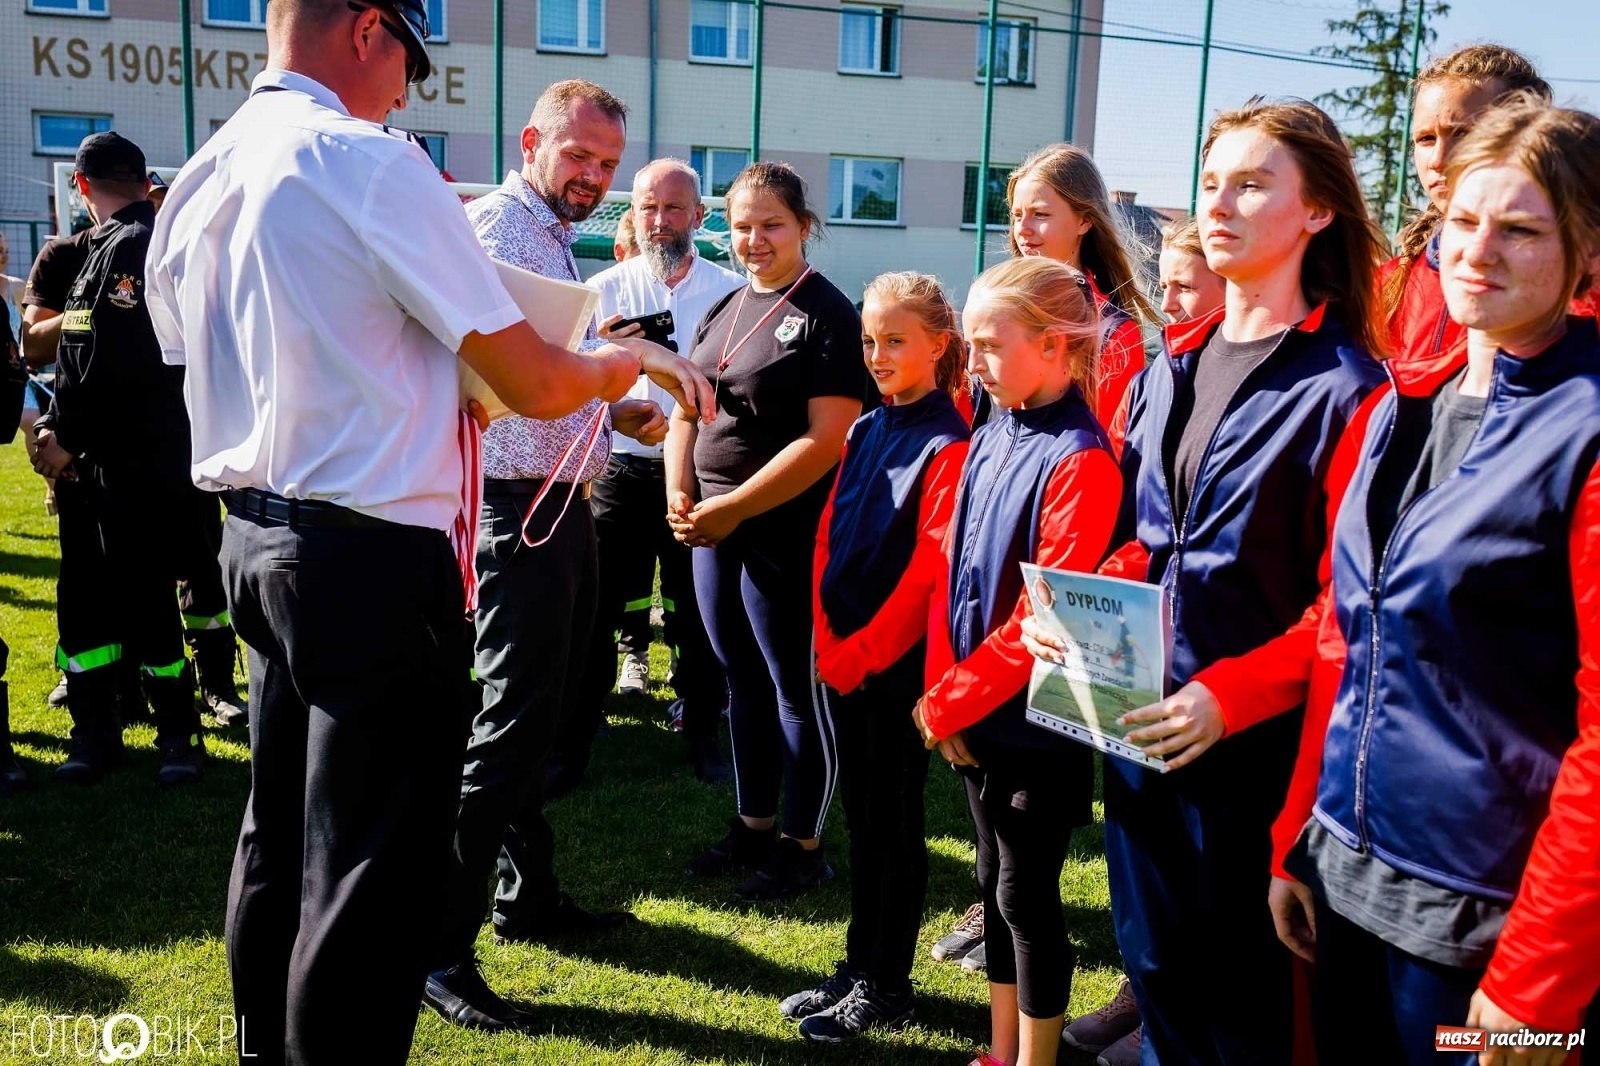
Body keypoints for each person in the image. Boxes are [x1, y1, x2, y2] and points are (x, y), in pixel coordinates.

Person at [144, 2, 696, 1059]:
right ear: (365, 30)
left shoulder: (204, 172)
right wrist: (626, 364)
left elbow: (230, 352)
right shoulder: (371, 160)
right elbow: (532, 379)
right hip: (368, 551)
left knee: (279, 840)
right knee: (371, 866)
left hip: (256, 535)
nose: (407, 88)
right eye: (410, 57)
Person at [1266, 97, 1600, 1066]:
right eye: (1461, 219)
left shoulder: (1585, 429)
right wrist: (1300, 832)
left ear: (1586, 251)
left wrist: (1539, 983)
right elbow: (1344, 637)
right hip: (1346, 885)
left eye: (1519, 230)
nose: (1476, 251)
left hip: (1484, 937)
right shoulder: (1400, 399)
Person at [1070, 98, 1388, 1066]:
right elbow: (1138, 544)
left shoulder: (1353, 389)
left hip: (1253, 759)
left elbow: (1346, 608)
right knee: (1154, 971)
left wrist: (1228, 693)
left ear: (1318, 211)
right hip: (1132, 736)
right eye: (1212, 182)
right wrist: (1069, 617)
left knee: (1246, 1011)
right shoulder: (1166, 365)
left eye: (1253, 183)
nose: (1220, 203)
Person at [427, 78, 709, 1032]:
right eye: (578, 157)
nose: (593, 178)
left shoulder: (544, 232)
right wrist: (633, 371)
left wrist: (607, 403)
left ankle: (524, 895)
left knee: (542, 719)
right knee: (509, 726)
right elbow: (516, 375)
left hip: (551, 502)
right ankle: (441, 946)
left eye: (606, 164)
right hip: (518, 511)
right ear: (531, 141)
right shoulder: (506, 230)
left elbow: (540, 366)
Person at [912, 256, 1120, 1066]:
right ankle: (1001, 1051)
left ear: (1055, 345)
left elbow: (1046, 618)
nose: (975, 365)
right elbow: (951, 568)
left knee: (1025, 898)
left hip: (1037, 726)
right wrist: (946, 692)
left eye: (992, 346)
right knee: (992, 891)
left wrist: (948, 704)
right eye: (969, 347)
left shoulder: (1081, 458)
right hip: (973, 717)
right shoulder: (991, 426)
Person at [668, 161, 867, 903]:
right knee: (738, 680)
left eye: (771, 225)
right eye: (742, 225)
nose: (754, 239)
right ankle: (752, 826)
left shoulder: (826, 314)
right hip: (713, 525)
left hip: (783, 530)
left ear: (804, 227)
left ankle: (803, 845)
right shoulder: (723, 306)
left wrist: (735, 506)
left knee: (793, 687)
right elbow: (687, 406)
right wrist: (680, 490)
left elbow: (825, 439)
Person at [779, 271, 970, 1042]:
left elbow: (928, 573)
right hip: (844, 658)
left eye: (896, 340)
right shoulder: (866, 427)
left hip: (893, 671)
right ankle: (860, 965)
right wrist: (827, 634)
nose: (878, 353)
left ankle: (889, 985)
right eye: (869, 340)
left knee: (893, 824)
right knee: (862, 819)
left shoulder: (950, 444)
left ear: (939, 346)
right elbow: (829, 535)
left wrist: (862, 653)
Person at [1060, 215, 1228, 1066]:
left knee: (1201, 878)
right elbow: (1143, 510)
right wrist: (1103, 584)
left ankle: (1171, 1027)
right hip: (1138, 650)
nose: (1170, 299)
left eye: (1187, 286)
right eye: (1167, 285)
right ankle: (1149, 1004)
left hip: (1216, 679)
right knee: (1140, 861)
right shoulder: (1166, 371)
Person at [29, 132, 206, 787]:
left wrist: (66, 433)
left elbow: (120, 362)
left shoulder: (136, 244)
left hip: (132, 465)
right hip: (92, 467)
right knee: (85, 609)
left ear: (82, 187)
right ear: (141, 177)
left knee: (148, 601)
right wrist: (56, 426)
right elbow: (76, 356)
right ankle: (95, 732)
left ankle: (179, 738)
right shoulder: (102, 248)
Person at [577, 158, 744, 786]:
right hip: (618, 469)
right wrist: (612, 409)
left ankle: (704, 728)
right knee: (597, 604)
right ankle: (582, 726)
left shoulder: (730, 291)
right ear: (632, 215)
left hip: (696, 476)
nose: (660, 220)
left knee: (697, 609)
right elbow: (566, 387)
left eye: (674, 208)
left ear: (699, 218)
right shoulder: (600, 290)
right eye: (648, 207)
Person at [1380, 45, 1552, 369]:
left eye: (1463, 134)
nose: (1438, 161)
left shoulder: (1570, 284)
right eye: (1426, 139)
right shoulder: (1383, 287)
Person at [1006, 144, 1154, 428]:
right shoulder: (999, 308)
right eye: (1016, 215)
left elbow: (1109, 444)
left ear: (1084, 220)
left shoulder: (1113, 332)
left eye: (1040, 214)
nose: (1023, 229)